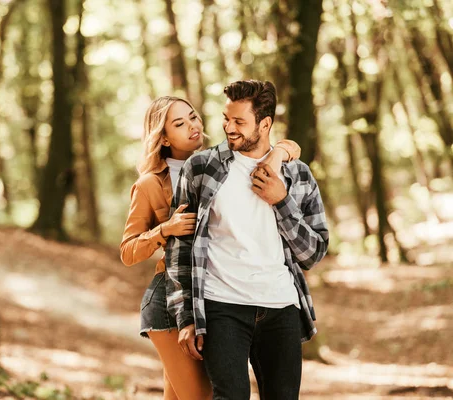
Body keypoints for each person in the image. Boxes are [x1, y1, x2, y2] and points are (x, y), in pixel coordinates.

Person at [120, 95, 301, 400]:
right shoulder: (150, 184)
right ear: (163, 137)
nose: (193, 126)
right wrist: (165, 229)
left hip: (211, 296)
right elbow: (128, 251)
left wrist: (280, 151)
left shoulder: (218, 162)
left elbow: (287, 146)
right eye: (179, 123)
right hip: (171, 299)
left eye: (193, 117)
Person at [165, 80, 329, 400]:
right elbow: (179, 247)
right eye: (227, 119)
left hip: (280, 306)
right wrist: (186, 317)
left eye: (239, 122)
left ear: (265, 124)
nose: (229, 128)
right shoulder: (201, 168)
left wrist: (281, 201)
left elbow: (313, 254)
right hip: (221, 304)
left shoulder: (298, 176)